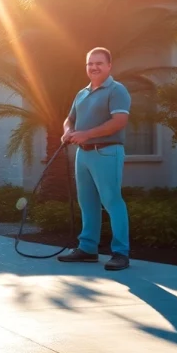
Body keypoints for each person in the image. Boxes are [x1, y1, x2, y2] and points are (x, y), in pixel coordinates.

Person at [58, 47, 131, 271]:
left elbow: (119, 121)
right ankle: (88, 249)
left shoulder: (117, 90)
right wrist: (68, 131)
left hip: (107, 152)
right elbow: (69, 119)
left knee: (111, 201)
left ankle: (120, 253)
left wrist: (86, 134)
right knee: (87, 202)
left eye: (99, 63)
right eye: (90, 63)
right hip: (84, 154)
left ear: (109, 66)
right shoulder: (82, 93)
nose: (94, 67)